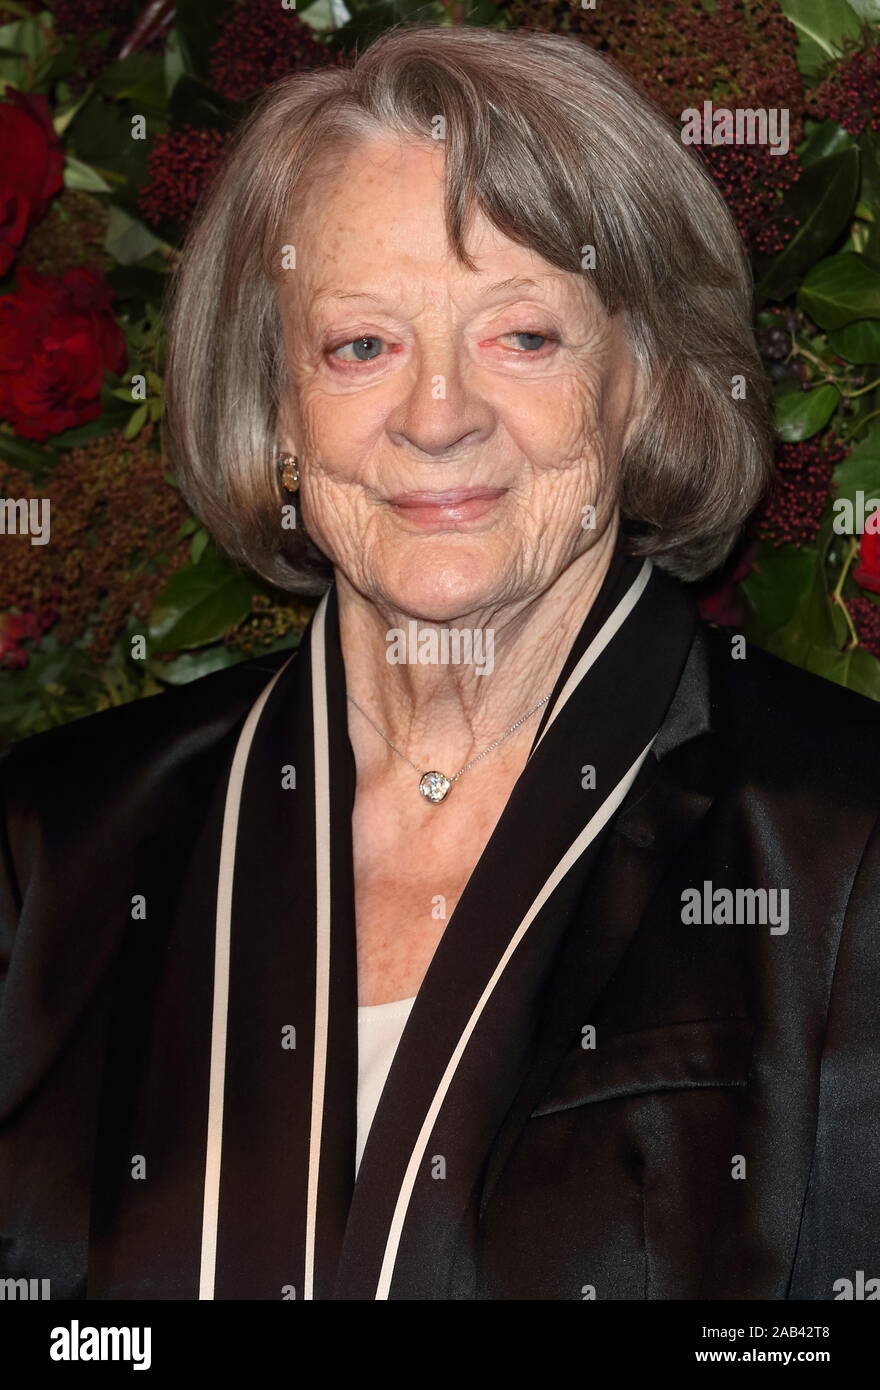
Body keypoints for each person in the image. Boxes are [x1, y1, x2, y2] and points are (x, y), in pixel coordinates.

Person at [1, 23, 878, 1301]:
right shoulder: (51, 847)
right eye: (362, 346)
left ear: (641, 382)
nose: (437, 415)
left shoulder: (840, 848)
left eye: (521, 335)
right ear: (279, 411)